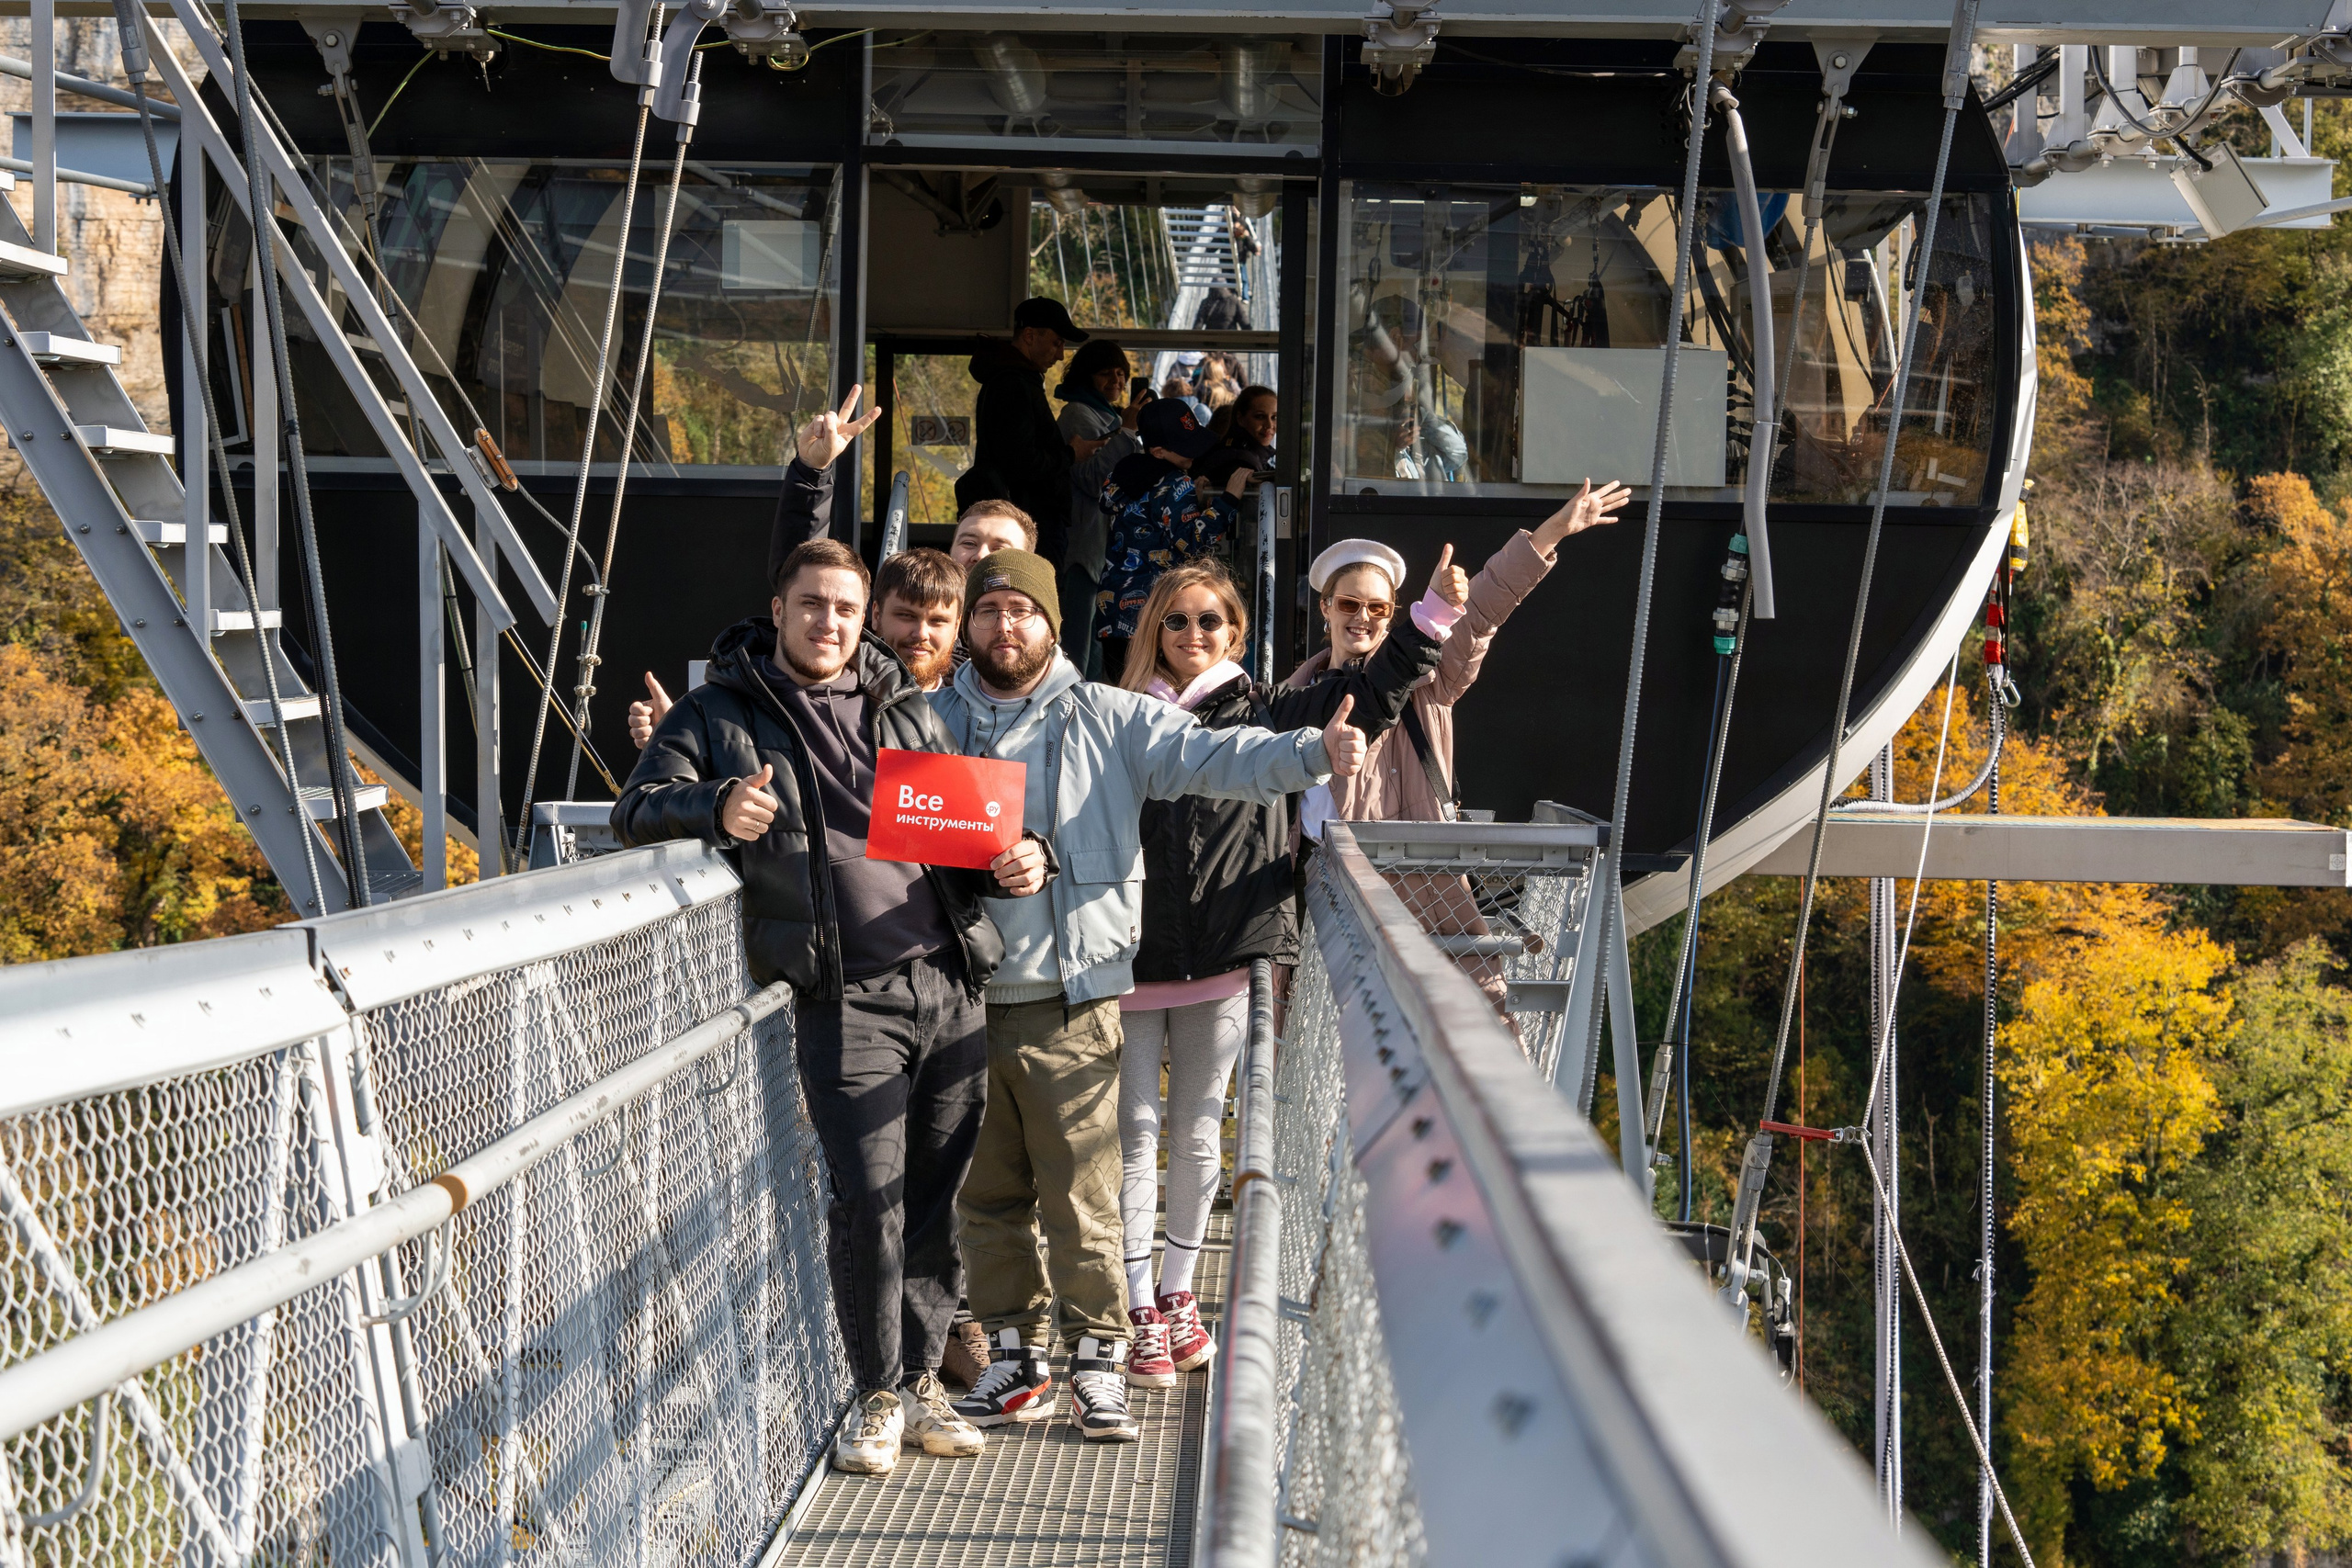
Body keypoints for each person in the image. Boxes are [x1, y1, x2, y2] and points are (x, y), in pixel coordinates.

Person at [609, 538, 1052, 1478]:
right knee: (867, 1200)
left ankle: (924, 1376)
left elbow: (974, 837)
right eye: (812, 604)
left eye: (846, 609)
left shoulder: (902, 708)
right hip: (844, 996)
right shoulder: (720, 711)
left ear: (863, 619)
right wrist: (718, 804)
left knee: (932, 1199)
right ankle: (877, 1392)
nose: (830, 623)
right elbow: (637, 806)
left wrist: (1028, 858)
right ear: (778, 608)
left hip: (947, 981)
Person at [929, 547, 1368, 1442]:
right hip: (967, 988)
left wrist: (1309, 754)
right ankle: (1016, 1360)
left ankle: (1099, 1363)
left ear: (1053, 624)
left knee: (1091, 1181)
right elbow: (897, 827)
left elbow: (1215, 761)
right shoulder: (928, 717)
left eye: (1023, 610)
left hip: (1079, 987)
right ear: (970, 626)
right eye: (989, 611)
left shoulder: (1106, 715)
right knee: (987, 1194)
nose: (1004, 626)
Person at [1113, 558, 1458, 1385]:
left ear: (1235, 632)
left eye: (1210, 621)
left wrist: (1429, 619)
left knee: (1198, 1129)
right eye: (1177, 621)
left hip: (1228, 949)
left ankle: (1178, 1291)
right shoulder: (1117, 716)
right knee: (1132, 1134)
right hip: (1129, 958)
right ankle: (1133, 1304)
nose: (1194, 635)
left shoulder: (1266, 710)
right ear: (1153, 631)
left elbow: (1368, 698)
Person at [1283, 481, 1630, 998]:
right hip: (1324, 896)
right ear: (1325, 608)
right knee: (1336, 1046)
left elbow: (1485, 606)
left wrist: (1554, 530)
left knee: (1475, 1024)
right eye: (1350, 604)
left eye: (1378, 609)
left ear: (1394, 615)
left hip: (1425, 887)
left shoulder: (1429, 681)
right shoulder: (1292, 696)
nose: (1362, 618)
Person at [1095, 400, 1250, 682]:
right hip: (1154, 614)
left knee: (1120, 694)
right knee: (1153, 697)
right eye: (1185, 444)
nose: (1194, 450)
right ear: (1159, 451)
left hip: (1113, 612)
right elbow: (1192, 543)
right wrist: (1229, 499)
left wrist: (1194, 505)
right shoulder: (1176, 481)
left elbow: (1152, 522)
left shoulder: (1127, 474)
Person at [961, 296, 1097, 567]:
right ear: (1030, 335)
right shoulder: (1014, 384)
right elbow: (1023, 462)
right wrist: (1071, 454)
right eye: (1057, 343)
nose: (1060, 355)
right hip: (1030, 523)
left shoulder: (1007, 379)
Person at [1055, 338, 1146, 671]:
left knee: (1095, 649)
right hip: (1083, 549)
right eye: (1106, 373)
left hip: (1104, 552)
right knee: (1078, 649)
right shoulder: (1077, 414)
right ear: (1085, 377)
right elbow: (1093, 479)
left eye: (1122, 374)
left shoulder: (1109, 415)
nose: (1117, 382)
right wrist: (1126, 432)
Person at [872, 547, 962, 692]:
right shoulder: (835, 697)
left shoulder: (978, 703)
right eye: (907, 616)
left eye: (937, 620)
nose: (921, 634)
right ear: (876, 615)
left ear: (956, 627)